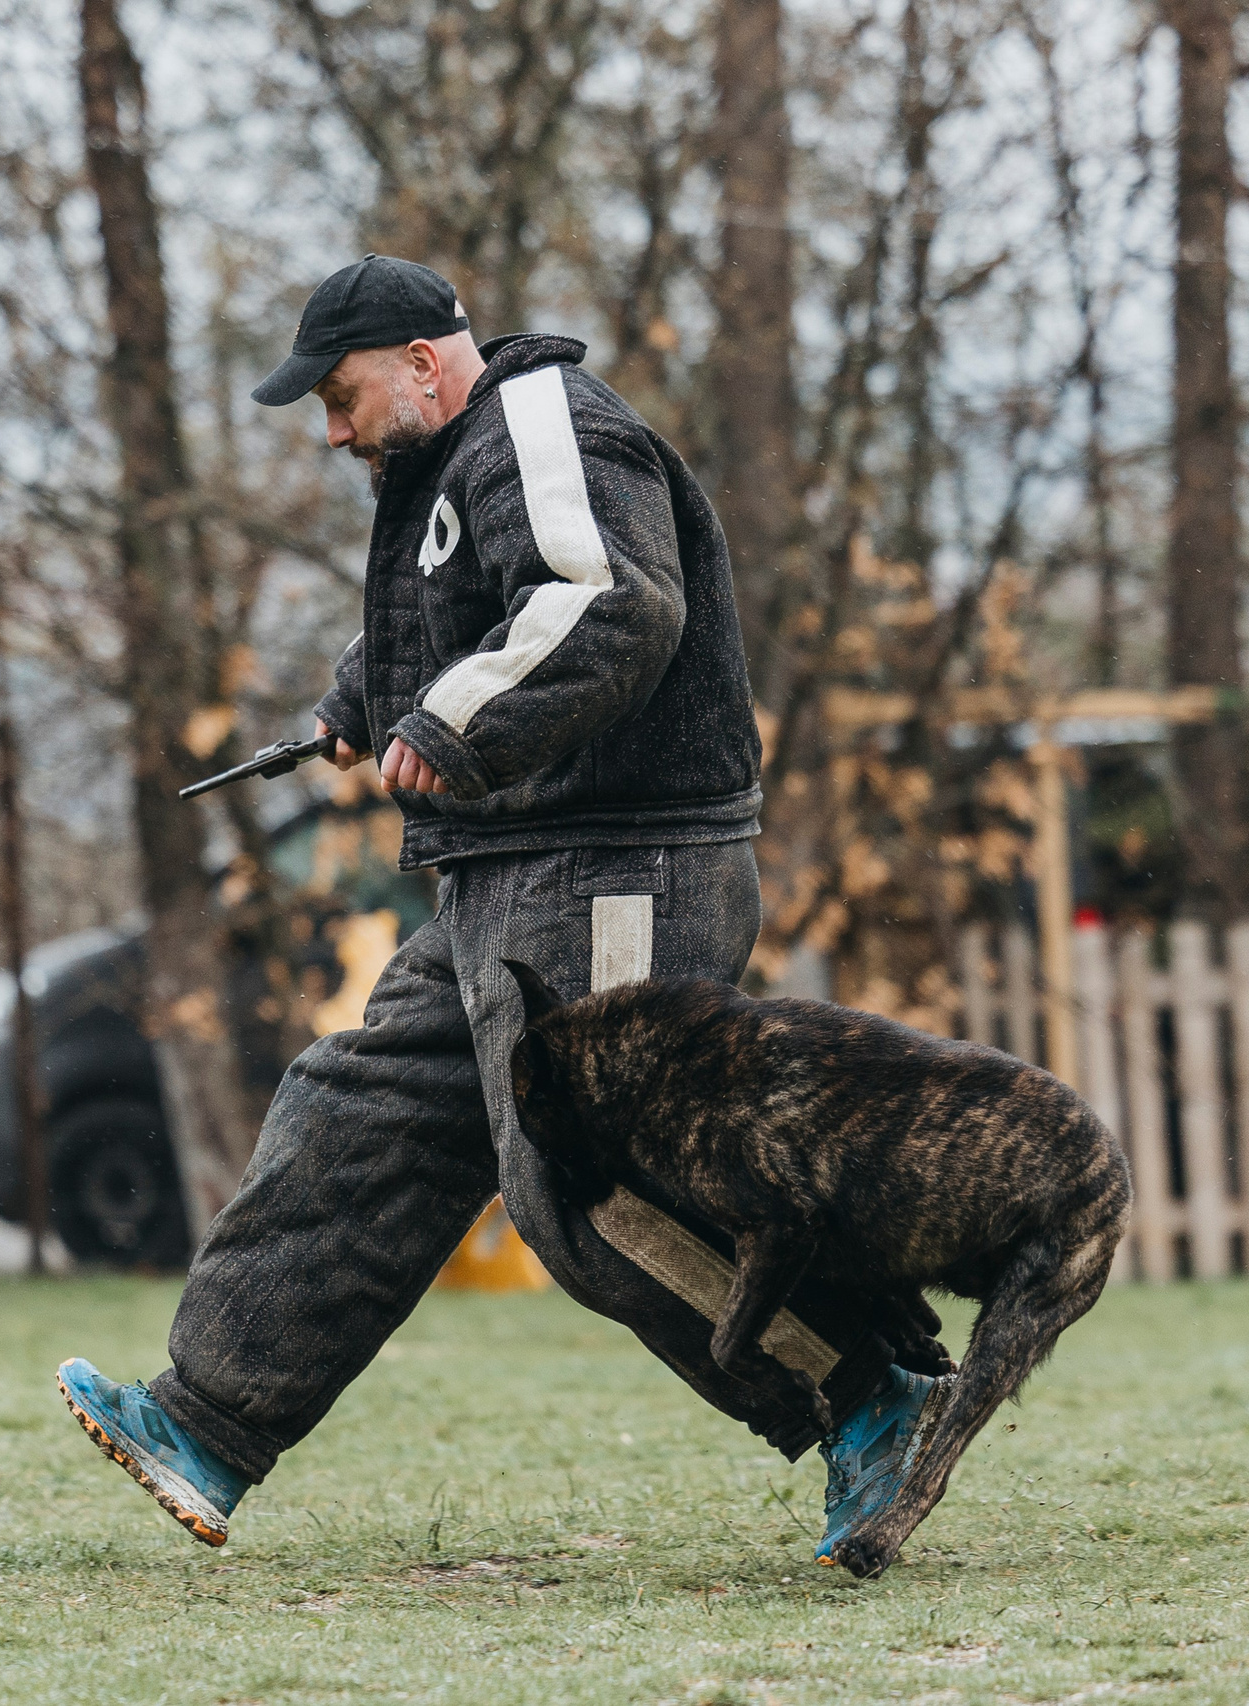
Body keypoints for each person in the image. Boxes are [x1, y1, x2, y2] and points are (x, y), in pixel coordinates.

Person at [58, 255, 949, 1565]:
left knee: (592, 1194)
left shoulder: (545, 421)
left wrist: (450, 720)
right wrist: (363, 699)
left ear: (425, 360)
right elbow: (466, 604)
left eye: (343, 396)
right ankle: (208, 1421)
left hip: (620, 861)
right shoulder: (455, 465)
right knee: (360, 1110)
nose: (332, 429)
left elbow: (609, 598)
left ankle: (873, 1387)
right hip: (511, 873)